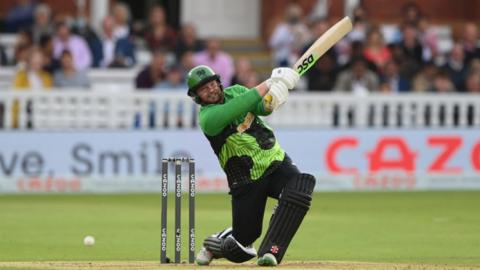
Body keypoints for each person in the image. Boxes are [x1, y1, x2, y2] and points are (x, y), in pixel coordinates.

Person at [186, 65, 316, 266]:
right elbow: (236, 107)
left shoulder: (236, 90)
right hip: (246, 180)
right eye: (203, 89)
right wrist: (270, 82)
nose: (210, 89)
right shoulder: (207, 118)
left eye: (211, 84)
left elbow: (261, 107)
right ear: (197, 97)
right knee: (241, 248)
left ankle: (271, 251)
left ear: (218, 82)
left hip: (275, 162)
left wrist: (273, 98)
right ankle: (216, 244)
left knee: (300, 187)